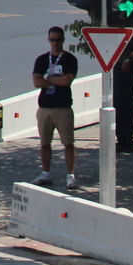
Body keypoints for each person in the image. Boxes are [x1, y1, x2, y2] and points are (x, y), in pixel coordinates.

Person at [32, 25, 78, 189]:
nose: (55, 43)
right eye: (52, 40)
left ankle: (70, 175)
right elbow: (36, 81)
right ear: (48, 40)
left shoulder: (69, 59)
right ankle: (45, 173)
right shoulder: (42, 60)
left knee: (68, 143)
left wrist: (48, 78)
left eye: (58, 40)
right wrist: (56, 79)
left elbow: (67, 81)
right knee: (45, 143)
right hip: (44, 107)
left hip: (63, 107)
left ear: (63, 40)